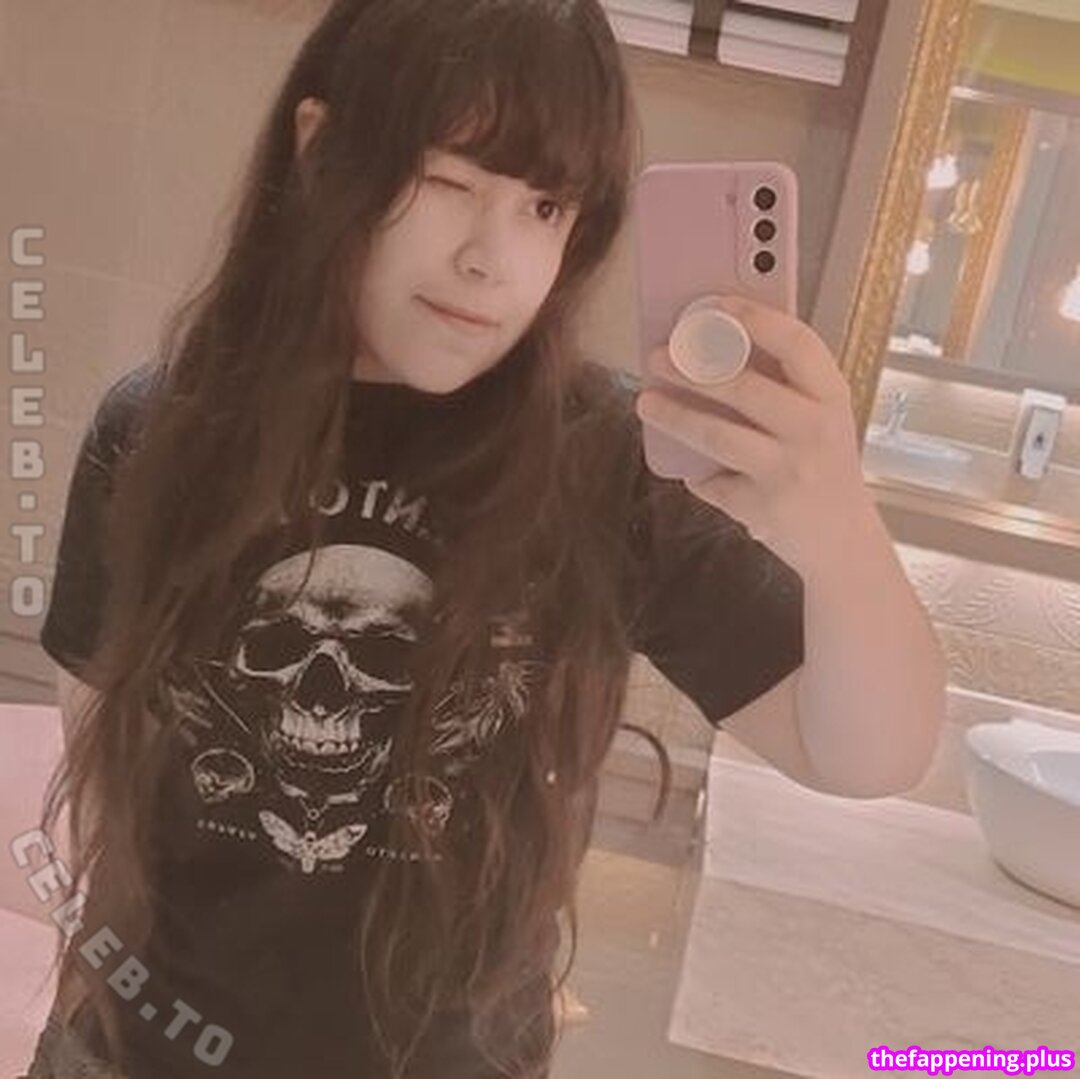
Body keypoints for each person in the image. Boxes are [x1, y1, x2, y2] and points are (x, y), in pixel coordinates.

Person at [27, 1, 946, 1077]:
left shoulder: (599, 460)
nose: (492, 259)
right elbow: (105, 768)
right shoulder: (159, 427)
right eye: (448, 181)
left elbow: (864, 754)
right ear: (321, 149)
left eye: (544, 206)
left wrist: (837, 528)